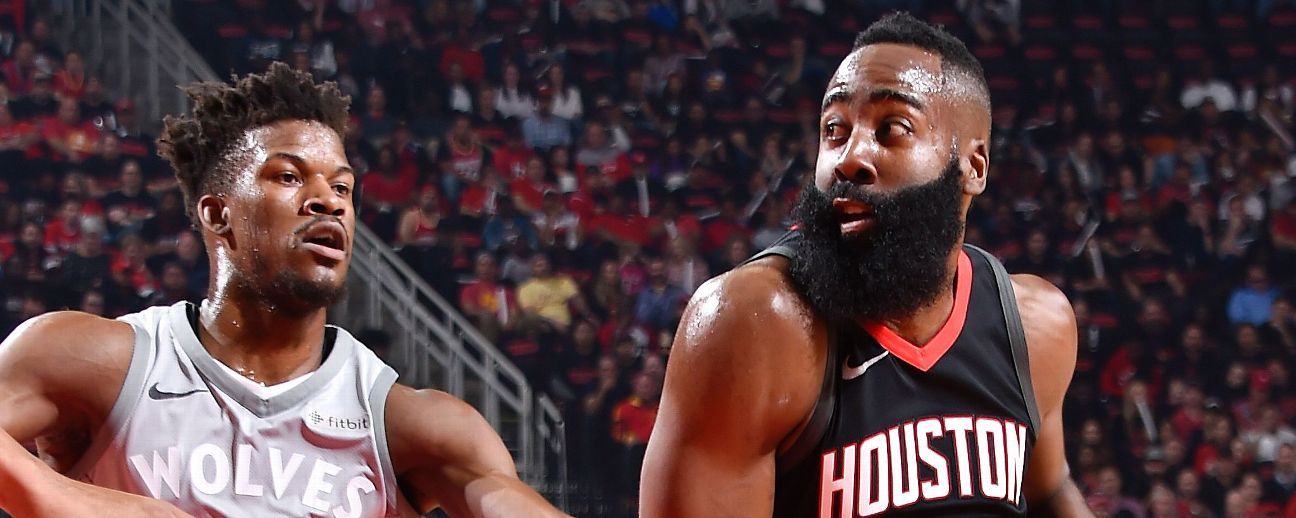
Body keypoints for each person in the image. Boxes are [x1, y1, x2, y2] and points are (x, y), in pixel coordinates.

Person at [0, 63, 568, 517]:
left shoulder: (413, 425)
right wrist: (92, 505)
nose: (329, 201)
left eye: (342, 187)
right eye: (290, 177)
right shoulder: (96, 362)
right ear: (218, 214)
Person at [640, 13, 1091, 517]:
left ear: (973, 167)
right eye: (834, 130)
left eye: (892, 128)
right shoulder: (754, 323)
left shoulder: (1033, 326)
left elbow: (1051, 490)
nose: (849, 158)